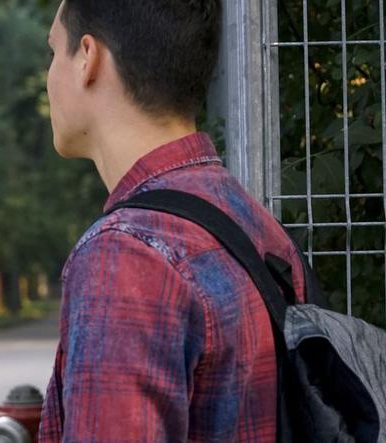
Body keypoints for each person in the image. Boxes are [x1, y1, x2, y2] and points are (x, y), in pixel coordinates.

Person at [39, 1, 308, 440]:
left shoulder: (127, 255)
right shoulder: (249, 219)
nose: (49, 77)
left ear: (88, 57)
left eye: (53, 52)